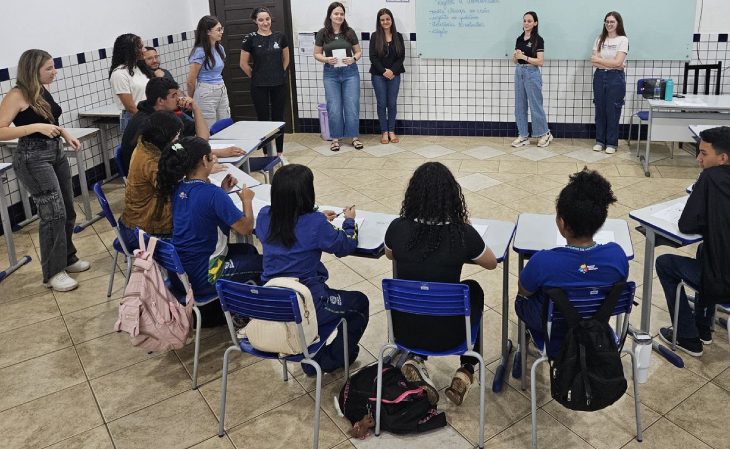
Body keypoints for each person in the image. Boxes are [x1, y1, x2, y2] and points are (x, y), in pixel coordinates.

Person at [656, 127, 730, 357]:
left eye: (703, 153)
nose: (698, 158)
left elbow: (686, 225)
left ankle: (687, 337)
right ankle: (703, 326)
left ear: (722, 158)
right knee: (705, 249)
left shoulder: (709, 178)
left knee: (665, 263)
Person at [384, 162, 498, 406]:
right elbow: (491, 263)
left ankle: (415, 357)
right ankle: (466, 369)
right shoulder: (461, 234)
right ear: (451, 197)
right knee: (473, 289)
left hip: (405, 331)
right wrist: (467, 228)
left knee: (419, 287)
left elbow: (389, 254)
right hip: (451, 334)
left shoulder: (398, 228)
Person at [254, 164, 368, 374]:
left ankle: (314, 352)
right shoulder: (315, 224)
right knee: (359, 303)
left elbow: (291, 225)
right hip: (306, 305)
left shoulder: (263, 216)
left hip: (273, 303)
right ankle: (330, 359)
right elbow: (345, 245)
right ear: (307, 193)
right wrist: (350, 222)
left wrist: (317, 217)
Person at [0, 49, 90, 291]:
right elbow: (0, 131)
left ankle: (67, 258)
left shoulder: (42, 89)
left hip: (55, 151)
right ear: (33, 69)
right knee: (53, 213)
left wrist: (66, 134)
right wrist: (33, 127)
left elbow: (51, 122)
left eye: (53, 67)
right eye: (48, 68)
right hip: (32, 157)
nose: (54, 72)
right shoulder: (16, 95)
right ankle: (52, 272)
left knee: (68, 209)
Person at [515, 168, 628, 354]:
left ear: (561, 222)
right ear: (601, 220)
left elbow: (524, 290)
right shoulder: (617, 256)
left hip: (553, 325)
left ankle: (532, 337)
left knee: (523, 299)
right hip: (596, 322)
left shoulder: (542, 261)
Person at [155, 136, 262, 301]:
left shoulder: (178, 188)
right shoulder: (212, 194)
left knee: (248, 251)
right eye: (212, 156)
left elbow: (202, 209)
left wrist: (222, 191)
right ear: (205, 160)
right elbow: (246, 228)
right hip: (205, 276)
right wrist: (247, 200)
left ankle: (235, 301)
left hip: (181, 274)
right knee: (264, 264)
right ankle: (243, 311)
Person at [120, 77, 245, 174]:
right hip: (151, 181)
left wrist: (195, 109)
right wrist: (210, 158)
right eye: (174, 96)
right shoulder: (149, 123)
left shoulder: (169, 114)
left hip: (164, 170)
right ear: (160, 101)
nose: (179, 99)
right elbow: (171, 155)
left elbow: (202, 139)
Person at [119, 111, 187, 249]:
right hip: (144, 230)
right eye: (176, 133)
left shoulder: (147, 143)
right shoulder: (152, 161)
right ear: (165, 136)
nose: (178, 137)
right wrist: (199, 171)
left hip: (139, 221)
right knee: (196, 228)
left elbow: (180, 149)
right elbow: (175, 187)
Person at [313, 2, 363, 152]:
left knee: (352, 106)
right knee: (333, 107)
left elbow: (358, 52)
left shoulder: (349, 32)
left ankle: (354, 137)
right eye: (336, 14)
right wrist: (326, 59)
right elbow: (316, 54)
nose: (339, 16)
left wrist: (353, 59)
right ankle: (335, 139)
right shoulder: (322, 33)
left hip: (350, 73)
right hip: (331, 73)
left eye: (341, 14)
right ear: (330, 15)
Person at [240, 7, 290, 156]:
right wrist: (255, 76)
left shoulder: (280, 37)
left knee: (278, 118)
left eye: (267, 19)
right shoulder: (250, 38)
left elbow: (286, 58)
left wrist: (279, 73)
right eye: (261, 20)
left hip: (279, 84)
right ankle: (267, 154)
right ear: (255, 21)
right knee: (263, 119)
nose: (265, 22)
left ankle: (280, 153)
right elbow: (243, 64)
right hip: (259, 86)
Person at [511, 11, 552, 149]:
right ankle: (523, 134)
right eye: (524, 21)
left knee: (535, 104)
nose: (526, 23)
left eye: (529, 21)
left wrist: (525, 58)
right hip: (519, 72)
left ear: (535, 23)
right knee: (519, 105)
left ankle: (544, 133)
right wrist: (516, 56)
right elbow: (515, 60)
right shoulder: (519, 39)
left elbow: (540, 61)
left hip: (532, 72)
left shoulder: (538, 40)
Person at [590, 12, 628, 154]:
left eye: (612, 22)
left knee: (612, 110)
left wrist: (603, 61)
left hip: (615, 78)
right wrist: (613, 64)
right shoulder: (600, 39)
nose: (609, 24)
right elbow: (593, 61)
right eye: (607, 22)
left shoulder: (622, 40)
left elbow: (619, 62)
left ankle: (612, 143)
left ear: (618, 23)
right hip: (599, 76)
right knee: (600, 109)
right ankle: (600, 141)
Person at [369, 8, 405, 144]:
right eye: (382, 20)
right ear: (379, 22)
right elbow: (373, 57)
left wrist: (392, 71)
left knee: (392, 103)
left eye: (387, 19)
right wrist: (384, 71)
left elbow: (401, 56)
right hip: (378, 75)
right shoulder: (374, 36)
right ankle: (384, 132)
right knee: (381, 103)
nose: (385, 22)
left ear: (391, 20)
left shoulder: (398, 36)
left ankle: (391, 131)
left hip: (394, 75)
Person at [187, 15, 230, 128]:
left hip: (221, 89)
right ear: (207, 32)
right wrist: (192, 100)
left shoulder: (219, 48)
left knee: (225, 125)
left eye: (222, 29)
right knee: (208, 127)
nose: (221, 32)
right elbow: (191, 81)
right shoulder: (199, 52)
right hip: (205, 91)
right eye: (218, 29)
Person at [110, 33, 150, 133]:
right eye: (140, 47)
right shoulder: (119, 74)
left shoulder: (139, 67)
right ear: (130, 50)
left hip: (148, 114)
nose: (145, 50)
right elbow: (130, 107)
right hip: (134, 118)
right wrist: (147, 123)